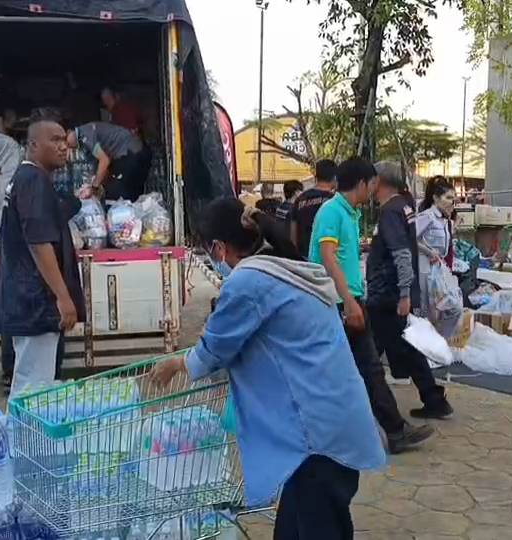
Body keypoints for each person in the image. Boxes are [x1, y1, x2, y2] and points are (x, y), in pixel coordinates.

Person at [150, 198, 386, 539]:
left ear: (219, 247)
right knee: (299, 523)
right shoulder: (287, 267)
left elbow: (216, 348)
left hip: (315, 434)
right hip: (335, 419)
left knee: (318, 523)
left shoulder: (249, 281)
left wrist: (176, 364)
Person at [309, 157, 435, 454]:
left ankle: (391, 429)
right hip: (336, 302)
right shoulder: (332, 212)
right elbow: (327, 258)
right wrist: (349, 302)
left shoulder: (348, 213)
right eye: (372, 184)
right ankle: (391, 430)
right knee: (363, 369)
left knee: (364, 369)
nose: (373, 191)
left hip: (348, 300)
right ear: (362, 183)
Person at [0, 118, 86, 396]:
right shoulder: (33, 180)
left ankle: (22, 425)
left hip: (27, 298)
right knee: (35, 390)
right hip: (35, 301)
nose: (63, 146)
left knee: (30, 383)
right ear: (33, 145)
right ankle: (23, 427)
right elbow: (39, 243)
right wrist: (63, 296)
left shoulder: (25, 178)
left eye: (64, 140)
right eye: (54, 140)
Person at [367, 162, 453, 419]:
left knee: (369, 352)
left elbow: (402, 253)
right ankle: (433, 399)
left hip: (387, 293)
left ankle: (373, 409)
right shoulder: (403, 207)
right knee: (404, 347)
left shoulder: (391, 211)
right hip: (393, 292)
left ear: (379, 181)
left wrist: (404, 293)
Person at [71, 122, 151, 203]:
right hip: (138, 152)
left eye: (65, 140)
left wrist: (94, 187)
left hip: (130, 153)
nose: (65, 146)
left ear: (69, 131)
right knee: (132, 194)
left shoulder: (84, 136)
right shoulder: (88, 131)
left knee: (117, 195)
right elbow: (106, 163)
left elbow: (104, 161)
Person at [289, 159, 336, 259]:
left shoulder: (300, 199)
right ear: (334, 178)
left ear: (316, 177)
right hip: (327, 259)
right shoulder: (335, 202)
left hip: (303, 258)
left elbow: (293, 233)